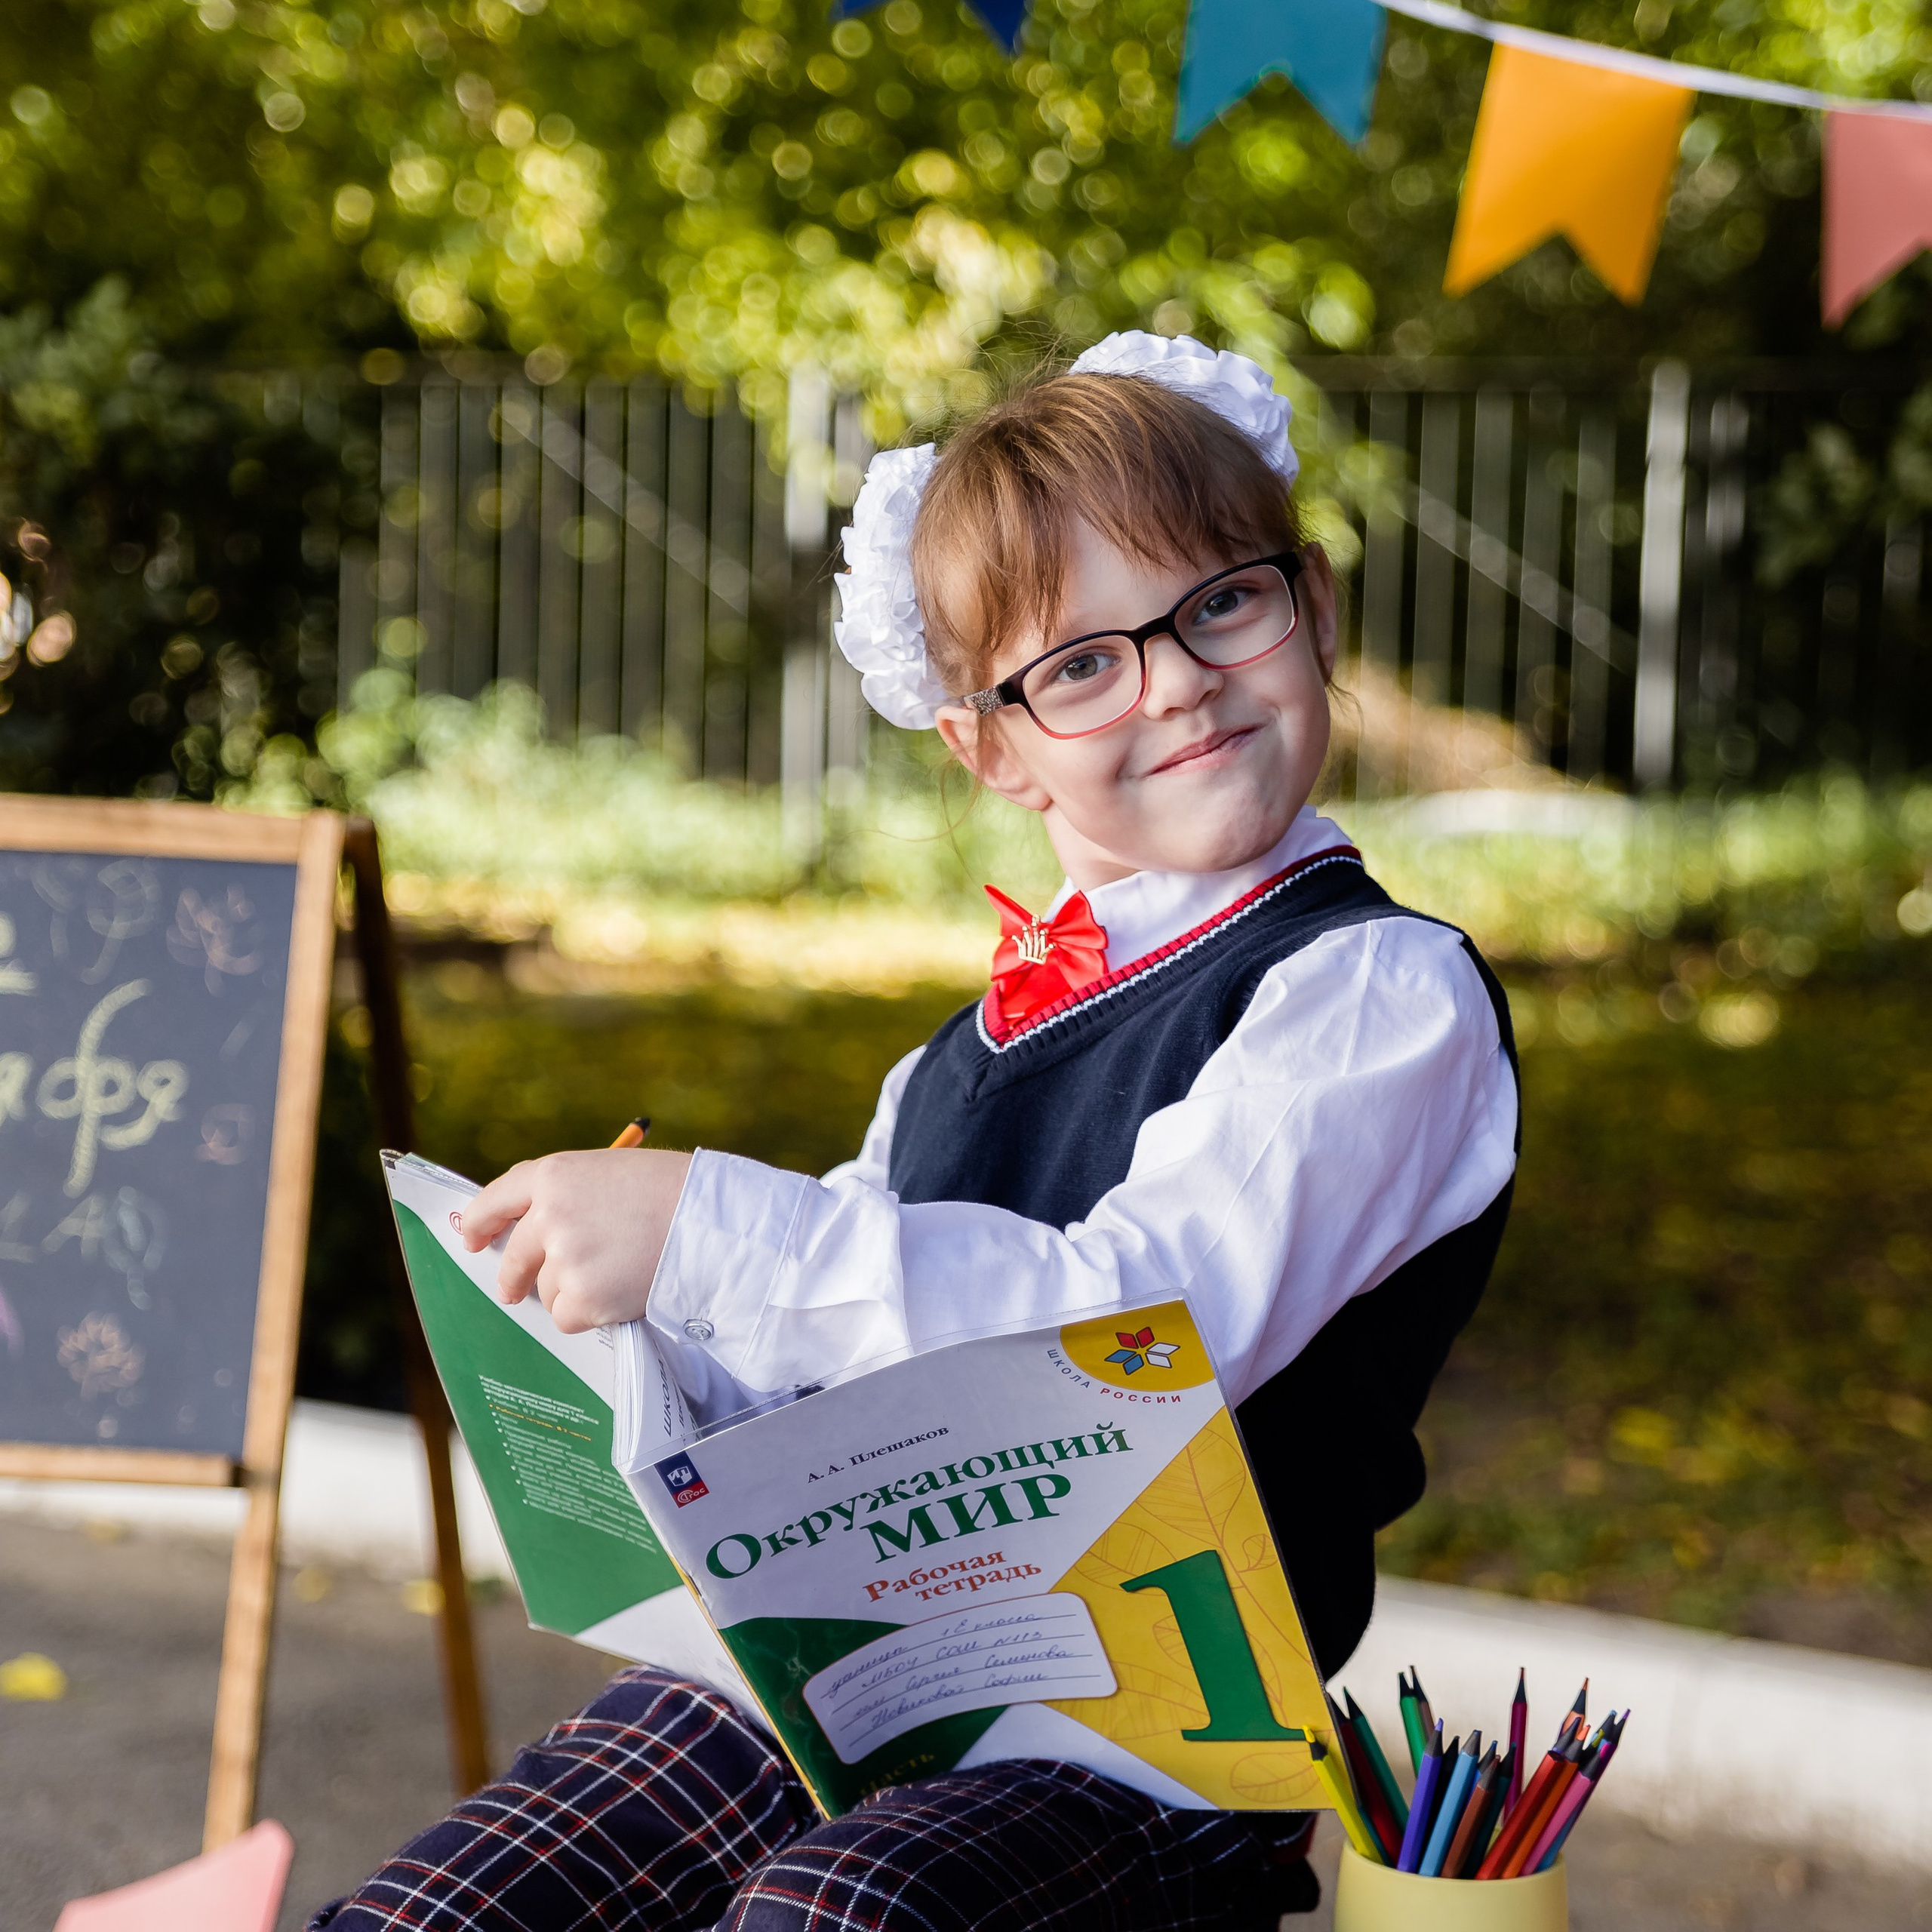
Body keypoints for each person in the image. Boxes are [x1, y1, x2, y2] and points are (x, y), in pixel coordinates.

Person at [311, 333, 1519, 1932]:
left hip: (1149, 1756)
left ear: (1308, 604)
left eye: (1218, 602)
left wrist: (721, 1229)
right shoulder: (956, 1056)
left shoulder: (1374, 989)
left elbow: (1140, 1328)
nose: (1171, 678)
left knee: (836, 1912)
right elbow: (832, 1383)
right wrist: (634, 1349)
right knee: (443, 1909)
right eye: (1078, 663)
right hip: (862, 1681)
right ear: (991, 747)